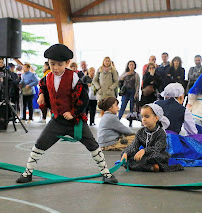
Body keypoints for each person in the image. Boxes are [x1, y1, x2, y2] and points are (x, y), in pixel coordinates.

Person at [16, 44, 118, 184]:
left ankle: (106, 173)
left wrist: (74, 113)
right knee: (40, 144)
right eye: (52, 64)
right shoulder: (47, 77)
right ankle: (28, 173)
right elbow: (43, 88)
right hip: (57, 121)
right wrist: (41, 95)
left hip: (75, 122)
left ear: (67, 63)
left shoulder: (74, 78)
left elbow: (84, 98)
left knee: (93, 145)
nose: (56, 68)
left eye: (59, 64)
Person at [121, 104, 184, 172]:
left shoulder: (161, 133)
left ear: (156, 118)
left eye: (147, 116)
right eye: (142, 117)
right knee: (127, 156)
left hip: (157, 155)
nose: (144, 119)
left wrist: (144, 151)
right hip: (145, 156)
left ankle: (148, 166)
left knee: (154, 157)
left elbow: (158, 148)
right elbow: (134, 145)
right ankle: (151, 167)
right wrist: (126, 153)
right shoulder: (140, 132)